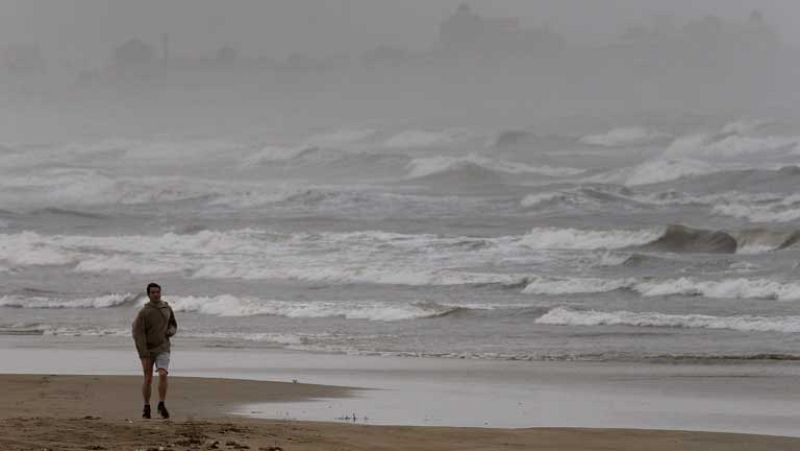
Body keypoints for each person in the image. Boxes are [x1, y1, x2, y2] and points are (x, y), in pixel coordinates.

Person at [132, 282, 177, 419]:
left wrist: (171, 331)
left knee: (163, 374)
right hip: (147, 350)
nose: (156, 294)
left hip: (163, 347)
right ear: (149, 294)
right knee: (148, 378)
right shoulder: (144, 312)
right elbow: (137, 333)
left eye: (158, 292)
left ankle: (161, 404)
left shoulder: (166, 307)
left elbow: (173, 324)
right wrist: (143, 352)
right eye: (153, 292)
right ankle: (146, 406)